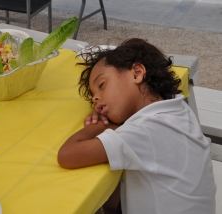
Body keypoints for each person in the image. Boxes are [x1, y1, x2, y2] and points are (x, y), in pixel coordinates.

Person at [57, 38, 216, 214]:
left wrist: (99, 125)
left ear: (137, 73)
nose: (95, 99)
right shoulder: (177, 108)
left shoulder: (145, 130)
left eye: (102, 85)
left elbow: (67, 155)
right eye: (94, 96)